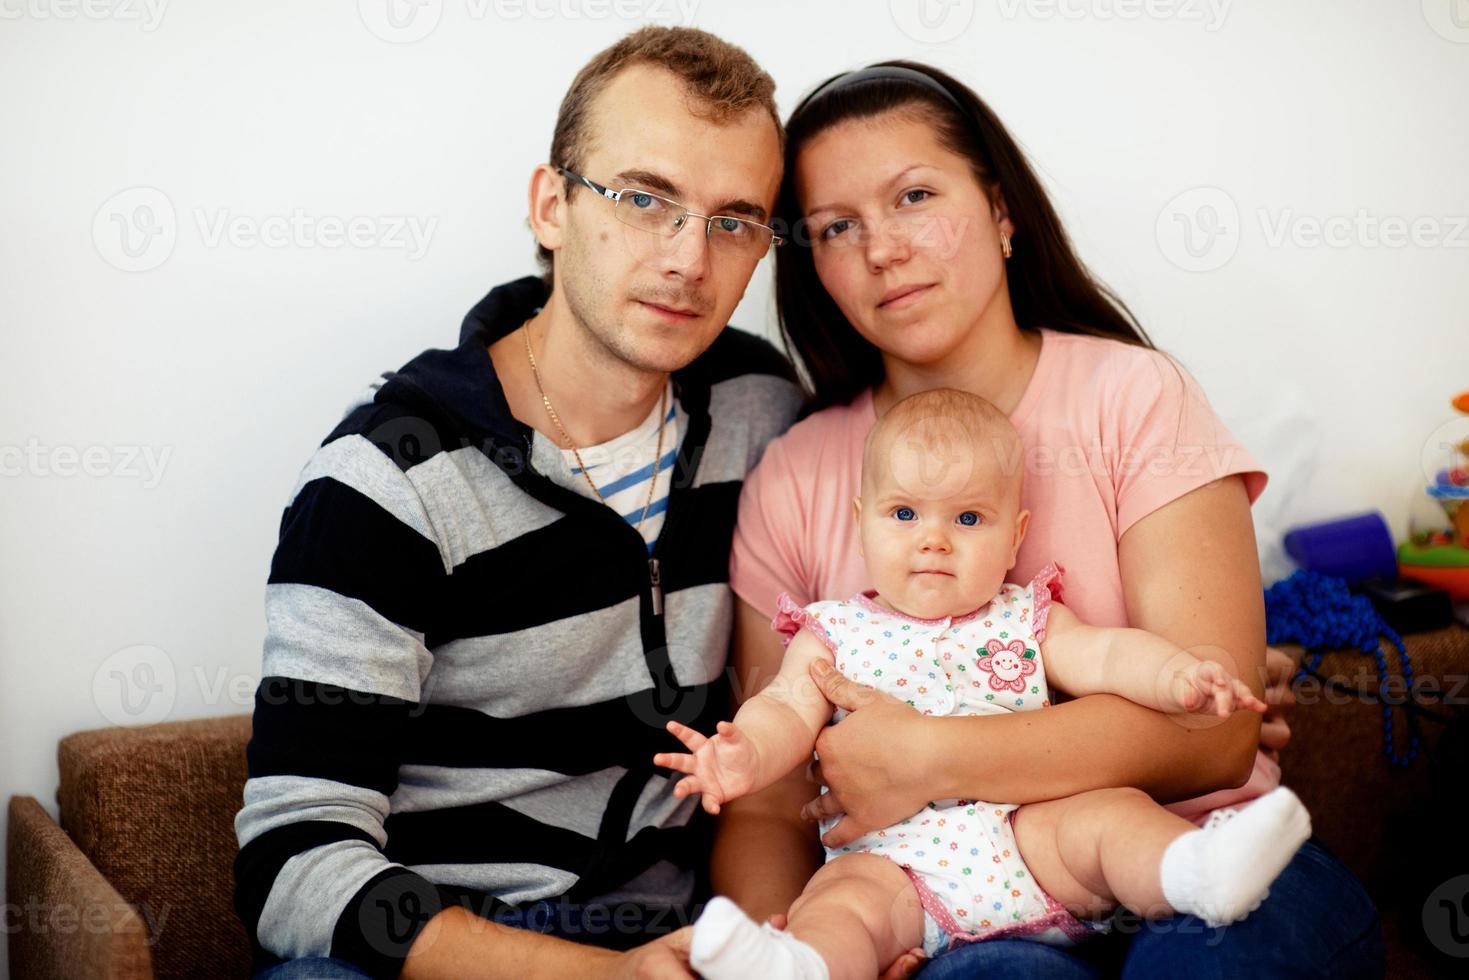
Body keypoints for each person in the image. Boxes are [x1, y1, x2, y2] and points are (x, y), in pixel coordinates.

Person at [717, 63, 1385, 978]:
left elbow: (1218, 729)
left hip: (1189, 852)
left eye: (915, 196)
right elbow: (764, 804)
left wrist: (929, 757)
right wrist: (791, 945)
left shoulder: (1132, 397)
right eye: (837, 227)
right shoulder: (793, 476)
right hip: (949, 907)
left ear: (1000, 213)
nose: (882, 249)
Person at [232, 27, 802, 980]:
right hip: (451, 951)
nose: (689, 259)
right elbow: (292, 868)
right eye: (643, 197)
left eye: (733, 220)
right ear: (552, 206)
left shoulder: (761, 414)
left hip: (673, 943)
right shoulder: (387, 483)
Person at [661, 389, 1311, 979]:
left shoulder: (1025, 616)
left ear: (1013, 537)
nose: (934, 541)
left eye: (968, 519)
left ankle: (1197, 873)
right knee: (840, 904)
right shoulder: (832, 632)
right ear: (861, 522)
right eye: (904, 513)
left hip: (1028, 836)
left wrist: (1178, 675)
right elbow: (782, 707)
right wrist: (743, 752)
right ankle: (795, 968)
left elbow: (1106, 655)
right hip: (896, 868)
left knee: (1109, 820)